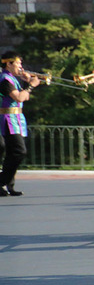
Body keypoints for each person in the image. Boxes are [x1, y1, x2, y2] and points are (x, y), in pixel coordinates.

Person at [0, 51, 40, 196]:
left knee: (11, 153)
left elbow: (24, 97)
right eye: (18, 63)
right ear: (9, 64)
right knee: (19, 151)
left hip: (16, 118)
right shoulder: (5, 79)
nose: (20, 66)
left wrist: (26, 82)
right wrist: (31, 85)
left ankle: (9, 185)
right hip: (8, 120)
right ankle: (1, 181)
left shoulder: (12, 78)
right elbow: (20, 97)